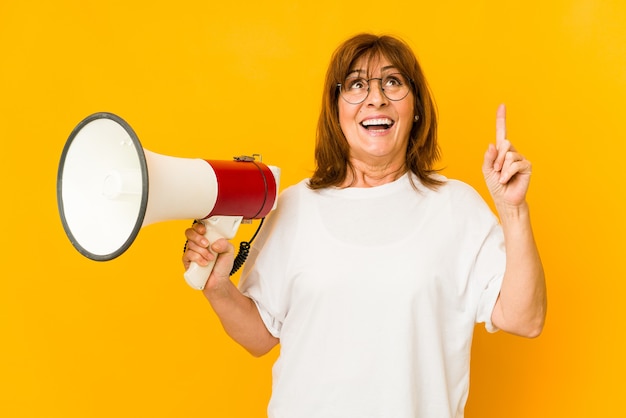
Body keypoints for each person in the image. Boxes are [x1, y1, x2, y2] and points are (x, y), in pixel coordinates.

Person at [182, 33, 546, 418]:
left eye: (393, 82)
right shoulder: (293, 206)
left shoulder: (456, 207)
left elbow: (526, 318)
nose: (376, 98)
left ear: (416, 107)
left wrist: (513, 211)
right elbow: (260, 338)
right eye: (356, 84)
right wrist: (217, 287)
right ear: (336, 111)